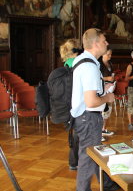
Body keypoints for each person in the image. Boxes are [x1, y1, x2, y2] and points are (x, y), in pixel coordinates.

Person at [71, 28, 119, 191]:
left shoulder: (82, 60)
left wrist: (102, 88)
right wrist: (107, 97)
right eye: (104, 40)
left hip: (85, 117)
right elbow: (91, 102)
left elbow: (89, 92)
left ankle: (105, 184)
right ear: (96, 43)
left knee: (93, 154)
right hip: (88, 117)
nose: (107, 43)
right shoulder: (90, 67)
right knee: (87, 158)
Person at [59, 38, 81, 171]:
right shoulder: (76, 62)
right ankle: (75, 162)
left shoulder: (67, 62)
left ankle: (73, 162)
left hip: (69, 102)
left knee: (75, 133)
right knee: (79, 134)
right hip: (77, 101)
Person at [99, 49, 115, 141]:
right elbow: (97, 78)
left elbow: (112, 74)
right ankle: (98, 132)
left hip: (110, 88)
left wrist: (112, 79)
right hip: (102, 89)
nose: (110, 56)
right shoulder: (99, 64)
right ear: (103, 54)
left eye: (111, 54)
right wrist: (107, 78)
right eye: (108, 54)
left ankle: (103, 129)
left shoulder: (110, 64)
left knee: (108, 110)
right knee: (101, 110)